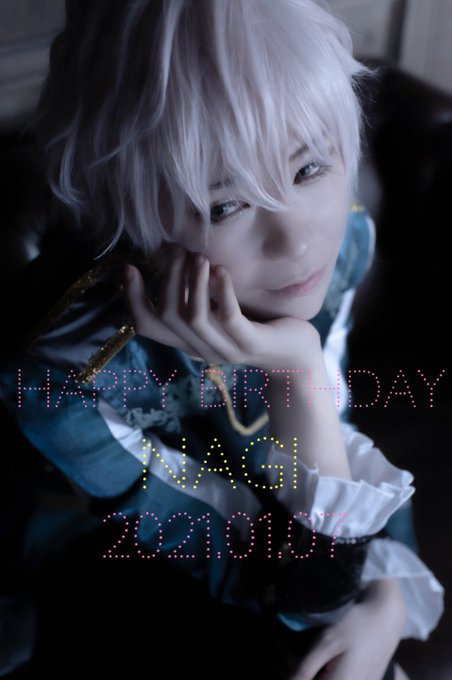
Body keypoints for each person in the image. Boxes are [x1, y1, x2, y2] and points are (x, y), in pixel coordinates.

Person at [0, 1, 444, 678]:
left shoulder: (345, 242)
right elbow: (268, 577)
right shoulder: (68, 377)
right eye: (226, 204)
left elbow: (335, 430)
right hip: (106, 567)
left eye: (308, 168)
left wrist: (388, 591)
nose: (296, 240)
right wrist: (294, 374)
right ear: (132, 218)